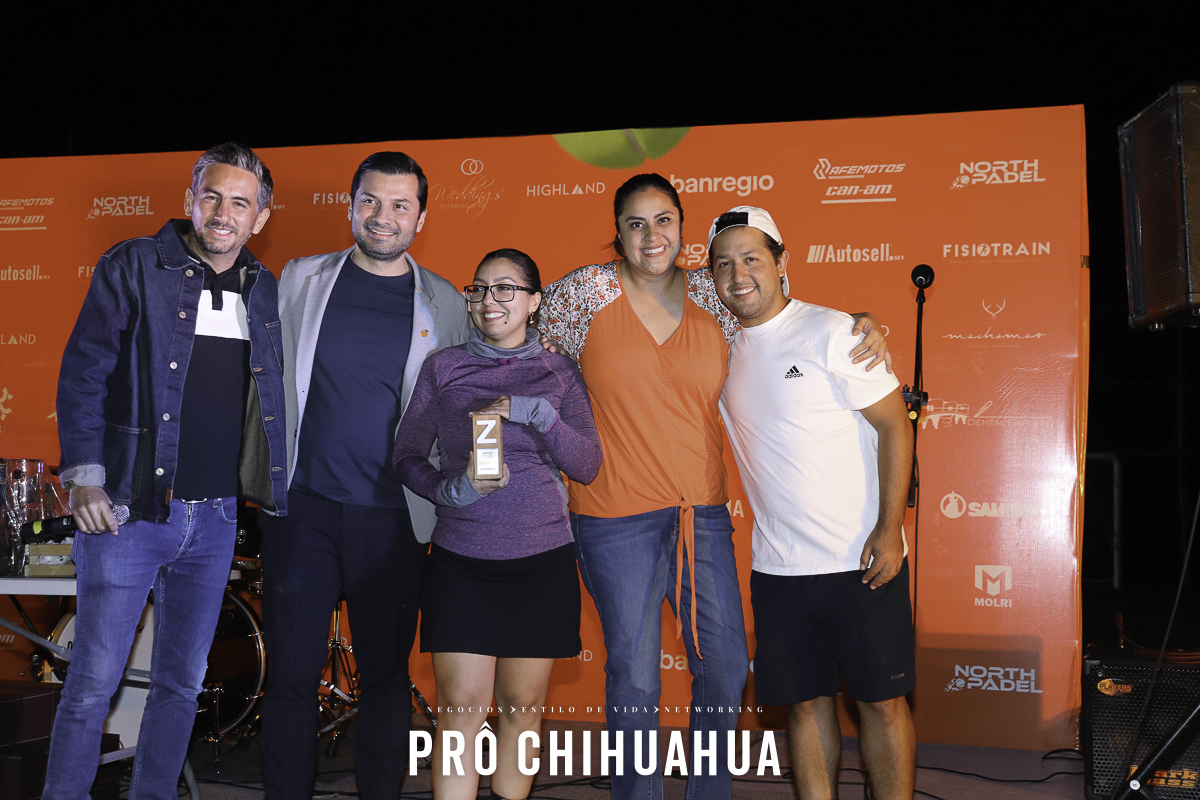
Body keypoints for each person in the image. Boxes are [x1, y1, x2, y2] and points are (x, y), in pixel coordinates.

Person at [535, 174, 890, 800]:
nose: (651, 236)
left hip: (701, 515)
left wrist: (861, 323)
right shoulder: (583, 294)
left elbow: (782, 318)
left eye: (664, 221)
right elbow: (524, 353)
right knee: (636, 678)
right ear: (617, 233)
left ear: (682, 227)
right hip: (613, 517)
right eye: (636, 224)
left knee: (725, 668)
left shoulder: (713, 293)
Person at [47, 143, 287, 800]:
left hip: (215, 521)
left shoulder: (264, 289)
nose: (223, 212)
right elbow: (84, 373)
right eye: (212, 196)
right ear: (190, 200)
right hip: (127, 511)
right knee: (91, 687)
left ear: (261, 218)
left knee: (181, 686)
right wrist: (85, 476)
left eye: (240, 203)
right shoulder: (134, 264)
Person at [262, 151, 470, 800]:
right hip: (301, 510)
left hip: (396, 518)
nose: (384, 216)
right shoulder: (299, 278)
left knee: (385, 678)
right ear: (351, 206)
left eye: (400, 205)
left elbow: (473, 401)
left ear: (421, 218)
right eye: (371, 201)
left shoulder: (446, 302)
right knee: (290, 678)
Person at [710, 206, 916, 800]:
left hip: (861, 560)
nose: (739, 274)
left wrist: (889, 528)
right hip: (778, 569)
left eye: (752, 258)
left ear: (782, 263)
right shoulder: (718, 349)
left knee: (882, 703)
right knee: (802, 707)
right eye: (724, 264)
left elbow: (895, 425)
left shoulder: (834, 332)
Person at [394, 248, 602, 800]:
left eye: (507, 288)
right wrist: (450, 490)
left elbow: (587, 464)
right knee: (460, 711)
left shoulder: (559, 371)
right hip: (462, 561)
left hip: (541, 560)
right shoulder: (444, 366)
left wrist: (539, 414)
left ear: (534, 301)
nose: (491, 300)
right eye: (480, 288)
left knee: (522, 709)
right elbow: (407, 454)